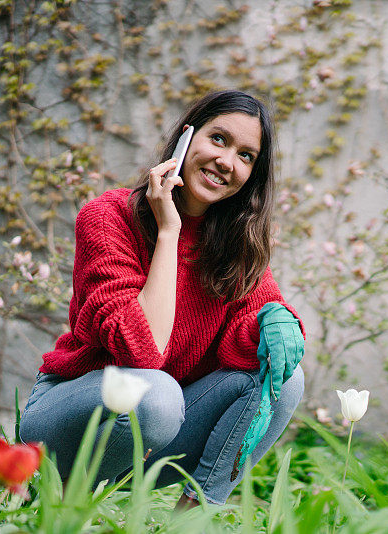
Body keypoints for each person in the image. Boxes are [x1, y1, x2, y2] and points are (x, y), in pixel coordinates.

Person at [19, 90, 305, 508]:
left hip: (158, 431)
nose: (227, 162)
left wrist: (278, 321)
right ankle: (55, 500)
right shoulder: (109, 216)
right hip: (72, 419)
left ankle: (190, 521)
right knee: (155, 394)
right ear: (186, 137)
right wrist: (168, 230)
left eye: (246, 156)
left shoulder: (236, 245)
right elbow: (142, 350)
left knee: (282, 380)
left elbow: (249, 342)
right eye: (220, 139)